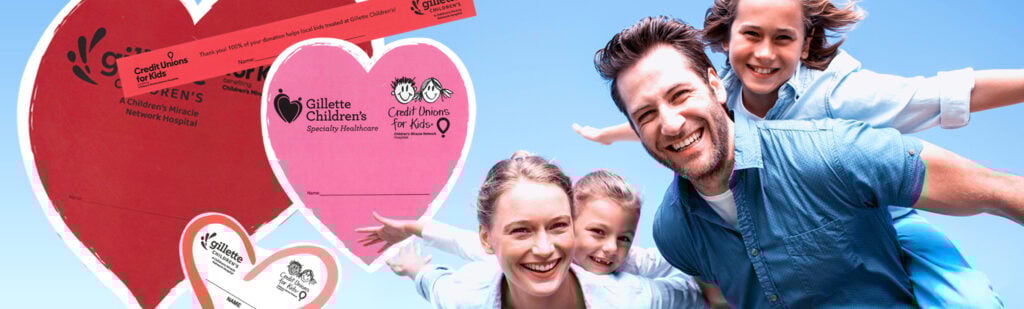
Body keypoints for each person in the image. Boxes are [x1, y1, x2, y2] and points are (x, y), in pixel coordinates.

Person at [577, 0, 1024, 306]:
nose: (672, 122)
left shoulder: (837, 128)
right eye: (646, 114)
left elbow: (948, 104)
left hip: (885, 210)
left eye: (680, 95)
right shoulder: (676, 230)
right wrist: (607, 135)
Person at [381, 152, 708, 308]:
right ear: (487, 239)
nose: (544, 248)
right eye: (521, 231)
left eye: (558, 226)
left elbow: (697, 294)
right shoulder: (464, 296)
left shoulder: (628, 297)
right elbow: (433, 282)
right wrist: (414, 267)